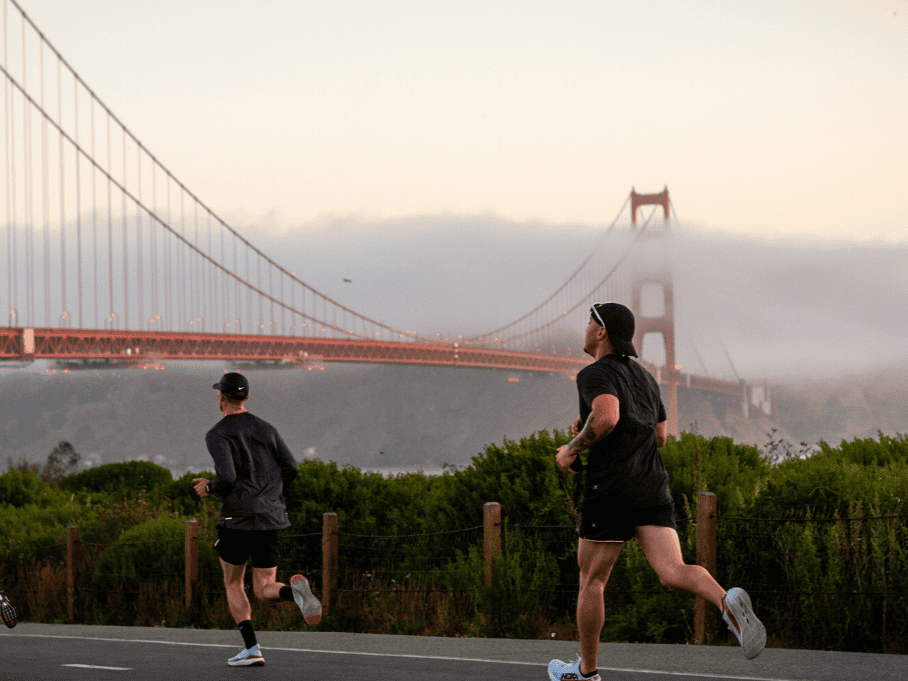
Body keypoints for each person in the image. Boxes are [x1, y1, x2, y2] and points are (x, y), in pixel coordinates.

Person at [548, 303, 765, 681]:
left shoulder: (594, 373)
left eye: (589, 322)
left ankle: (587, 674)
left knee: (592, 582)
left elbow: (610, 417)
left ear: (601, 332)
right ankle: (726, 601)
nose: (584, 329)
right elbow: (660, 435)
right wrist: (592, 426)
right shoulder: (646, 378)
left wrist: (572, 448)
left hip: (611, 489)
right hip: (651, 485)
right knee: (673, 570)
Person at [193, 372, 322, 667]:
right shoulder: (266, 428)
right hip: (271, 517)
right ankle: (295, 595)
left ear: (221, 397)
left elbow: (226, 477)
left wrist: (208, 487)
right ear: (246, 398)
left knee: (233, 581)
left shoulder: (217, 433)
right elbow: (291, 467)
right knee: (265, 586)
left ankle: (251, 649)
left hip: (236, 519)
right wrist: (268, 496)